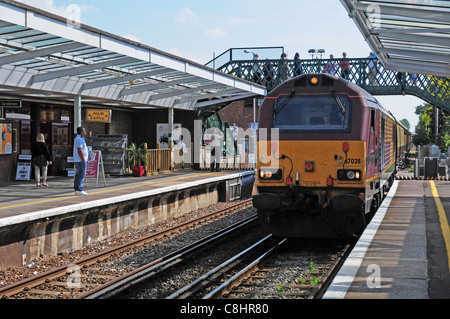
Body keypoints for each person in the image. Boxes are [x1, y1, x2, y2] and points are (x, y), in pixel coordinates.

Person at [73, 127, 89, 196]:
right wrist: (83, 160)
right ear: (81, 132)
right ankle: (79, 189)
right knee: (81, 175)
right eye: (84, 130)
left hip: (80, 160)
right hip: (80, 161)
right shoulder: (79, 139)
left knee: (79, 175)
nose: (85, 132)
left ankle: (77, 189)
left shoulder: (80, 139)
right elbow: (79, 150)